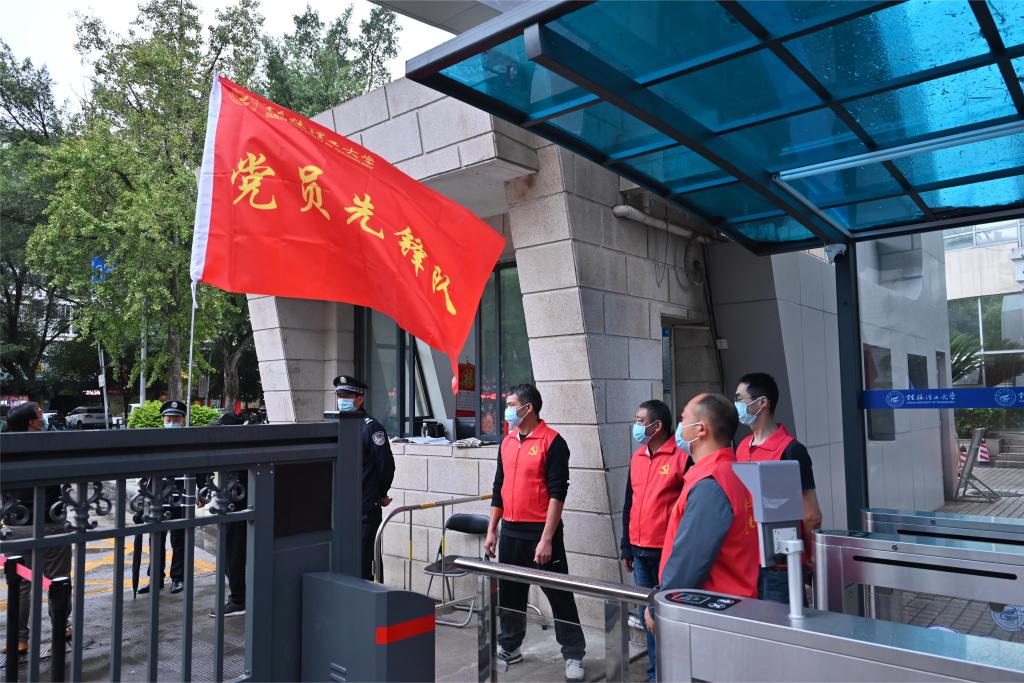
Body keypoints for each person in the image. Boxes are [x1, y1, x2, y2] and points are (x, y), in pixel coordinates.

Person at [484, 383, 586, 682]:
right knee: (510, 594)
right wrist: (492, 530)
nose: (506, 410)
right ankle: (510, 646)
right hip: (511, 531)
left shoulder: (553, 442)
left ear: (527, 408)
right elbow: (498, 488)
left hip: (541, 533)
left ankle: (574, 654)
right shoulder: (507, 442)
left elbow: (557, 493)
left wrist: (546, 539)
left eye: (511, 404)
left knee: (559, 595)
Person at [646, 393, 759, 636]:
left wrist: (660, 606)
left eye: (683, 418)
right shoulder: (732, 473)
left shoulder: (711, 483)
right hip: (732, 608)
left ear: (700, 429)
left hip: (711, 616)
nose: (679, 426)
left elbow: (689, 561)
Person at [734, 372, 822, 604]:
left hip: (779, 566)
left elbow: (811, 515)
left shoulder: (791, 450)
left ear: (762, 402)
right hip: (746, 562)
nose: (736, 405)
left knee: (783, 624)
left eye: (740, 399)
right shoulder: (742, 447)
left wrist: (810, 557)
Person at [621, 399, 688, 682]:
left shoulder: (681, 457)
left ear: (657, 425)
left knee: (670, 615)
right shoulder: (637, 457)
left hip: (667, 551)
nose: (636, 426)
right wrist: (626, 546)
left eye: (640, 421)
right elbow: (629, 503)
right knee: (647, 614)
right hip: (639, 550)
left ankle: (675, 673)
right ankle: (654, 673)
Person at [2, 402, 72, 655]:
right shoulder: (47, 445)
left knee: (20, 584)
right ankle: (61, 627)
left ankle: (19, 639)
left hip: (16, 525)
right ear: (32, 422)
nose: (44, 417)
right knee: (57, 579)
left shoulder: (6, 447)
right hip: (49, 522)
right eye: (40, 414)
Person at [333, 375, 396, 581]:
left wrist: (380, 494)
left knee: (366, 559)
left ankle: (374, 597)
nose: (341, 400)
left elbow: (386, 465)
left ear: (359, 399)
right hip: (342, 507)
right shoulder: (337, 424)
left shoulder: (371, 427)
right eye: (339, 395)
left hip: (365, 506)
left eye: (346, 396)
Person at [139, 400, 188, 595]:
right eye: (168, 420)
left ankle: (178, 578)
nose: (172, 423)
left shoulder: (190, 440)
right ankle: (155, 578)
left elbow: (200, 465)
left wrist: (201, 490)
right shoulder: (156, 440)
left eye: (176, 419)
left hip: (181, 495)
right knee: (156, 539)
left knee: (179, 539)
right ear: (163, 421)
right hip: (157, 495)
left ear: (183, 421)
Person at [209, 411, 247, 618]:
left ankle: (238, 600)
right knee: (230, 558)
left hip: (237, 512)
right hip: (230, 510)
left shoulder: (239, 452)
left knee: (233, 557)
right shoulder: (231, 450)